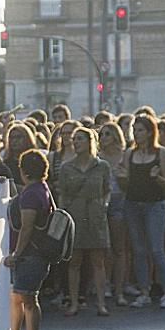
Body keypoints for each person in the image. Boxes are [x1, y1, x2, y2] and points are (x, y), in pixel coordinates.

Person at [4, 149, 53, 330]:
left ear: (23, 171)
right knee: (17, 297)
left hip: (32, 255)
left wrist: (17, 254)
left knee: (29, 299)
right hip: (35, 254)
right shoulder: (39, 189)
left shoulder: (32, 194)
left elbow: (27, 228)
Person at [123, 115, 165, 308]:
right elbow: (126, 181)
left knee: (156, 249)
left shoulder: (161, 153)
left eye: (141, 130)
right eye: (135, 130)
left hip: (155, 205)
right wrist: (121, 176)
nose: (137, 134)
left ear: (150, 132)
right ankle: (144, 291)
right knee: (138, 250)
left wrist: (157, 177)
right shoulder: (129, 153)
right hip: (133, 204)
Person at [59, 127, 111, 316]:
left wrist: (104, 205)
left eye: (80, 139)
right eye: (75, 139)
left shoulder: (102, 166)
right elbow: (62, 194)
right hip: (75, 214)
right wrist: (63, 217)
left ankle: (101, 303)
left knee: (98, 260)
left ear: (90, 141)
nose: (76, 142)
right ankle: (74, 302)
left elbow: (107, 189)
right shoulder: (66, 167)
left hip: (96, 215)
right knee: (75, 260)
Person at [99, 122, 129, 306]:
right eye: (101, 134)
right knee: (104, 249)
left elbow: (129, 184)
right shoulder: (98, 158)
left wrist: (123, 177)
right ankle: (106, 285)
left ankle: (119, 290)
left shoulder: (124, 156)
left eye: (107, 134)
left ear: (116, 136)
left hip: (120, 200)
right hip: (102, 203)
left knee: (120, 248)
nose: (103, 138)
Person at [2, 122, 37, 190]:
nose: (14, 141)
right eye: (11, 138)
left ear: (27, 138)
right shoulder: (6, 164)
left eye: (18, 137)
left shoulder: (35, 160)